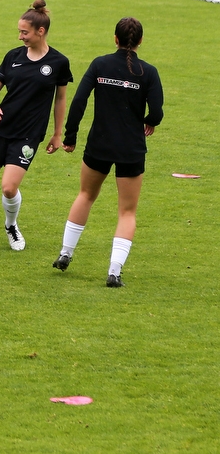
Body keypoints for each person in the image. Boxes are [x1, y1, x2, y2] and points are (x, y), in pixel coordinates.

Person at [54, 17, 163, 287]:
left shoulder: (100, 64)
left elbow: (79, 100)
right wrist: (149, 121)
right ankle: (114, 271)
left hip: (99, 144)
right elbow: (157, 112)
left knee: (86, 195)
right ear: (140, 42)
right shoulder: (148, 72)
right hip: (131, 149)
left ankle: (65, 254)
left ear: (115, 39)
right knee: (127, 212)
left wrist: (70, 136)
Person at [0, 0, 72, 253]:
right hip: (1, 127)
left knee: (9, 187)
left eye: (25, 32)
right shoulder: (13, 56)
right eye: (20, 31)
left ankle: (11, 226)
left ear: (40, 32)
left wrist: (57, 134)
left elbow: (61, 98)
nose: (20, 36)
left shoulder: (58, 62)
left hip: (29, 134)